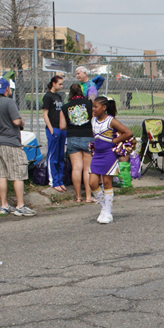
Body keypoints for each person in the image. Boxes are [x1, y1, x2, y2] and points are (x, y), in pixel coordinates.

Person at [0, 78, 36, 216]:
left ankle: (4, 205)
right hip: (11, 142)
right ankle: (20, 205)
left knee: (1, 175)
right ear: (7, 89)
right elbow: (16, 121)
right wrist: (22, 122)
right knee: (18, 174)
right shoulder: (9, 102)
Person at [89, 96, 133, 224]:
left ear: (104, 108)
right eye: (93, 106)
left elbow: (127, 132)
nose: (93, 109)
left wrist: (114, 141)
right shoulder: (93, 120)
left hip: (109, 155)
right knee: (92, 183)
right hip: (97, 155)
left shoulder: (111, 120)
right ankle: (104, 206)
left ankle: (107, 212)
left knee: (107, 183)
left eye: (96, 107)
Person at [61, 83, 94, 203]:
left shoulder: (65, 107)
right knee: (87, 169)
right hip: (87, 136)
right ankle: (88, 196)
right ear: (81, 92)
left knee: (76, 168)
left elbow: (62, 126)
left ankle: (78, 196)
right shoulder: (89, 104)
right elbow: (93, 121)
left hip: (72, 137)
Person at [42, 75, 67, 191]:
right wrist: (50, 128)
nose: (61, 86)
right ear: (53, 83)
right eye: (59, 84)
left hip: (61, 129)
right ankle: (53, 181)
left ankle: (60, 180)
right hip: (54, 128)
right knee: (53, 155)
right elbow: (45, 114)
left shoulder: (58, 96)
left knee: (60, 155)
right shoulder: (48, 96)